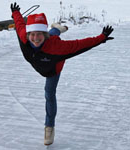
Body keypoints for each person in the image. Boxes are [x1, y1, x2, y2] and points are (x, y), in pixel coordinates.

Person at [10, 2, 114, 146]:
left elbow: (80, 44)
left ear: (43, 34)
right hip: (47, 46)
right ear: (28, 35)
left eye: (39, 34)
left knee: (49, 94)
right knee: (52, 34)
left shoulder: (58, 48)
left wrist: (101, 38)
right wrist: (16, 12)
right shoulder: (24, 37)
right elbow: (20, 24)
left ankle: (49, 127)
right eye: (32, 34)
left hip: (53, 69)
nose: (35, 38)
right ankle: (56, 29)